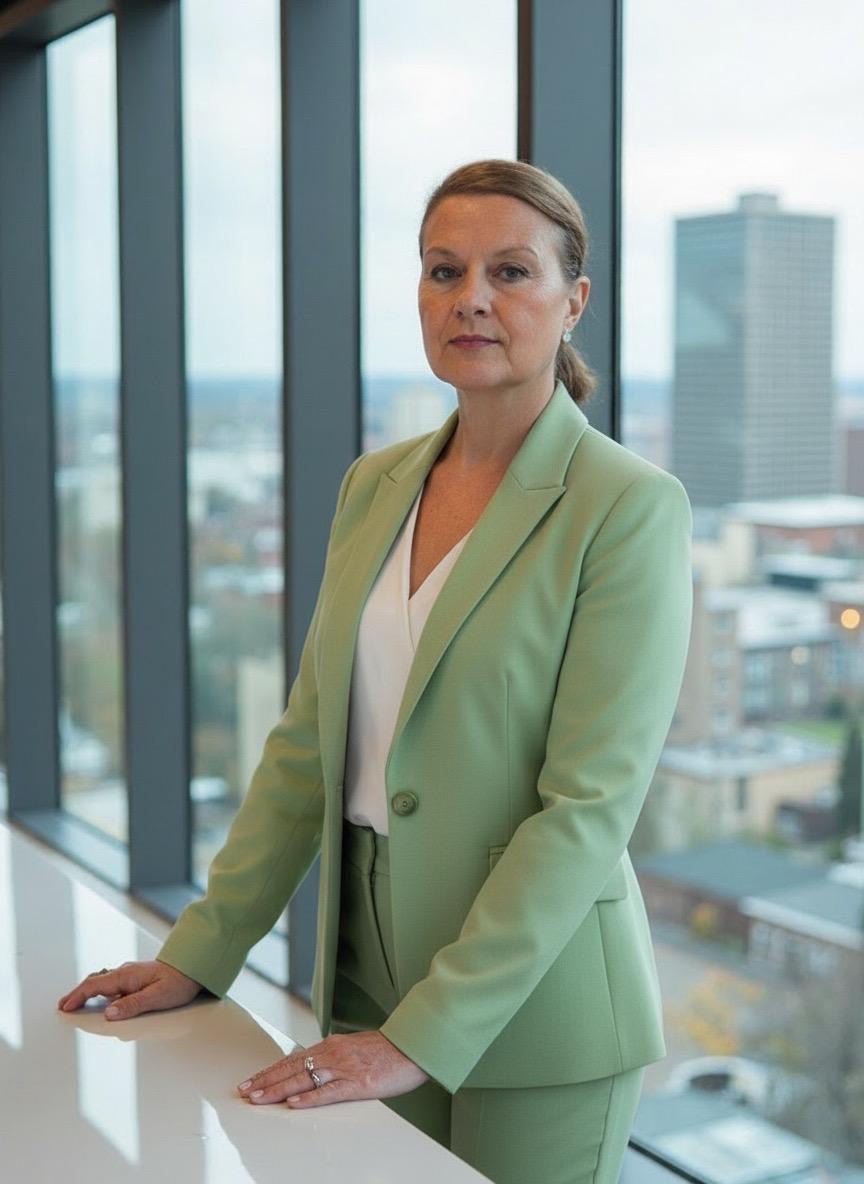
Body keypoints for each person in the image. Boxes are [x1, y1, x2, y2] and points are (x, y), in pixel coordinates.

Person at [59, 159, 693, 1184]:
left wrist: (422, 1036)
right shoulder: (375, 484)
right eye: (445, 270)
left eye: (510, 272)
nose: (471, 298)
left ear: (574, 301)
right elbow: (306, 747)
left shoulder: (626, 506)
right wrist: (199, 952)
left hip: (538, 1016)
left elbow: (587, 810)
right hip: (362, 974)